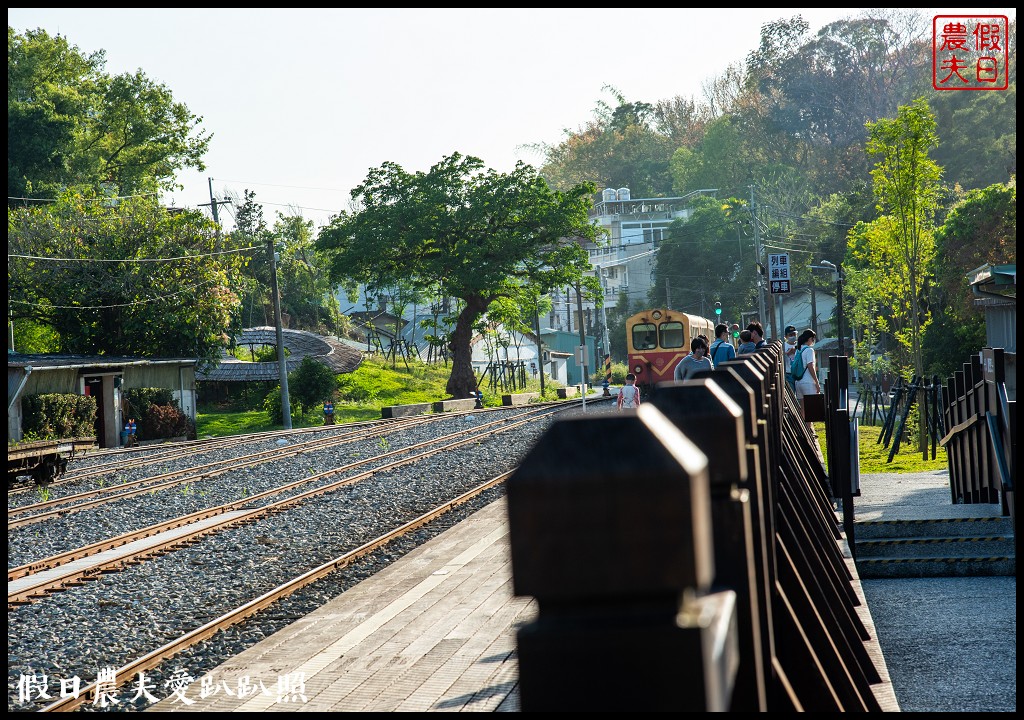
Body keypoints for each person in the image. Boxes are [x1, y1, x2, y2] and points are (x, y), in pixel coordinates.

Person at [793, 328, 825, 463]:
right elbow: (810, 366)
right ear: (810, 339)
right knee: (811, 409)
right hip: (808, 382)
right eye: (813, 339)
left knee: (803, 408)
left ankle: (802, 430)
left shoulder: (799, 350)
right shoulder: (809, 350)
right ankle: (809, 432)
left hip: (798, 382)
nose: (813, 341)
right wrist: (817, 382)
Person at [783, 325, 799, 390]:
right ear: (786, 336)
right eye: (790, 335)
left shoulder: (799, 345)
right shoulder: (783, 346)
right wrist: (787, 353)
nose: (793, 336)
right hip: (788, 374)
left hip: (799, 374)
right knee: (791, 394)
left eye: (794, 334)